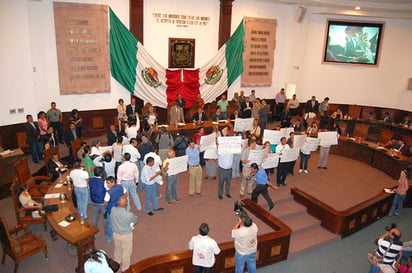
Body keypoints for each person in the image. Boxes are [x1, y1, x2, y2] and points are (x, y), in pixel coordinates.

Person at [111, 195, 138, 272]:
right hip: (126, 236)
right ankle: (125, 269)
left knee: (117, 249)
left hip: (116, 234)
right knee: (126, 253)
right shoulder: (129, 215)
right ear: (127, 204)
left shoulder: (113, 210)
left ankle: (116, 263)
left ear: (118, 202)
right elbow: (135, 220)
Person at [104, 176, 127, 243]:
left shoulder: (108, 192)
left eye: (108, 183)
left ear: (113, 182)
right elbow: (126, 194)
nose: (107, 185)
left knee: (110, 224)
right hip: (121, 208)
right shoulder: (121, 186)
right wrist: (121, 201)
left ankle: (109, 237)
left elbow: (106, 202)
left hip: (111, 210)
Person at [89, 167, 107, 232]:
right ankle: (106, 232)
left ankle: (94, 231)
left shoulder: (90, 180)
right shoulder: (104, 182)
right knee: (105, 218)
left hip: (93, 201)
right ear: (101, 174)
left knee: (94, 216)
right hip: (102, 202)